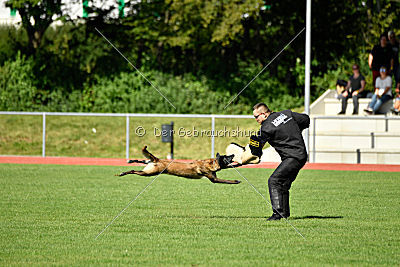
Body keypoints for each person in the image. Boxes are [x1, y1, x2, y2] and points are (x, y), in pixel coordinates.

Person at [251, 103, 309, 221]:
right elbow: (306, 119)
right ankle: (284, 214)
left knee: (274, 180)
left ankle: (277, 214)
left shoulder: (266, 127)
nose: (256, 119)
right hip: (301, 155)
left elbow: (256, 150)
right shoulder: (286, 114)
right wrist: (295, 130)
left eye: (256, 117)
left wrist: (252, 147)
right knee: (283, 184)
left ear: (263, 114)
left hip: (293, 157)